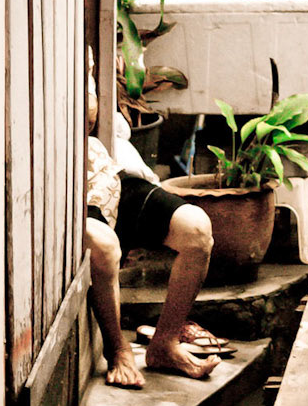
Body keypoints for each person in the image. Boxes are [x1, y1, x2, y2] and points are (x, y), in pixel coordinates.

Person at [84, 59, 224, 386]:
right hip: (66, 194)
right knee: (104, 246)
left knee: (197, 229)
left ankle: (165, 344)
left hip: (104, 173)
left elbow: (88, 115)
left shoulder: (80, 49)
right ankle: (118, 350)